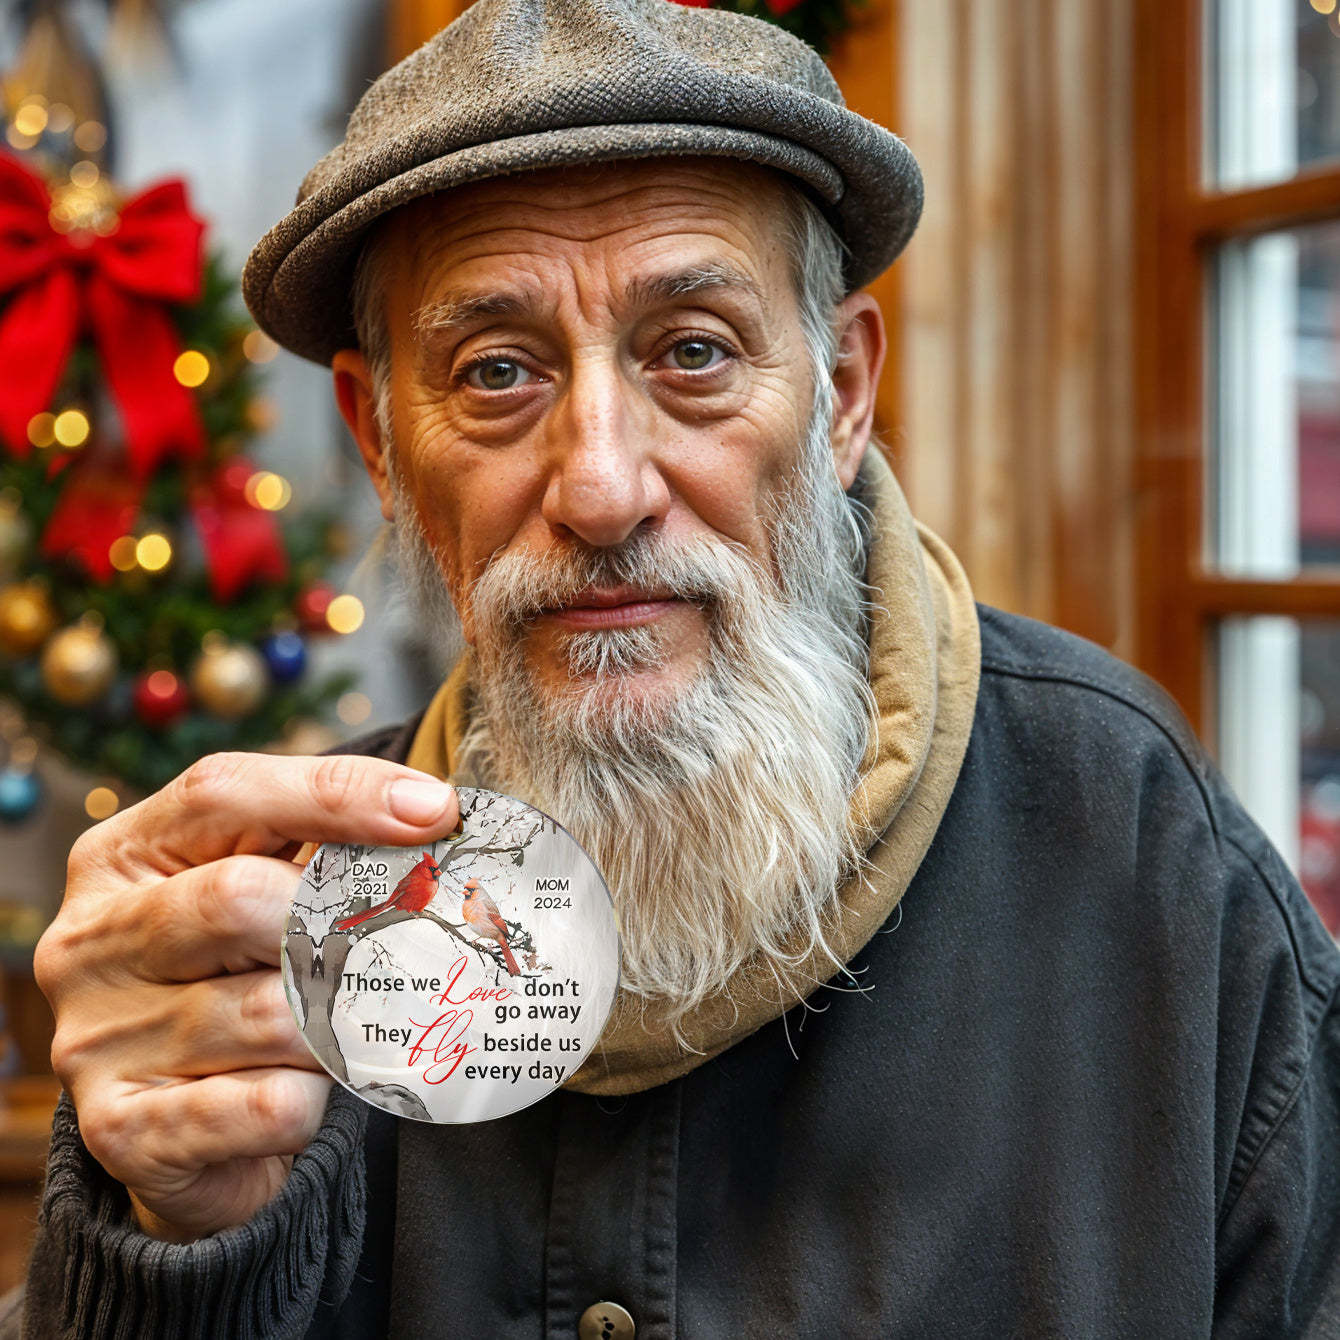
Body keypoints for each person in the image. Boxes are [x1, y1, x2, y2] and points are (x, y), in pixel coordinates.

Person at [4, 0, 1340, 1336]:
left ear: (841, 393)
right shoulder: (262, 950)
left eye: (694, 351)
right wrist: (164, 1245)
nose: (600, 485)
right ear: (378, 437)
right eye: (497, 373)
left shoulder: (1142, 857)